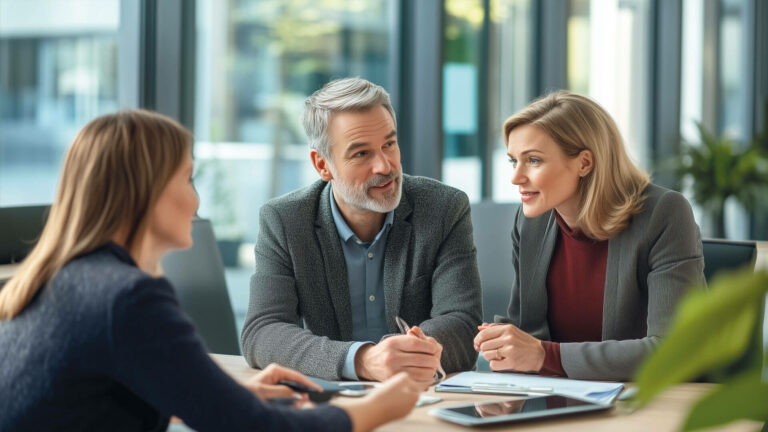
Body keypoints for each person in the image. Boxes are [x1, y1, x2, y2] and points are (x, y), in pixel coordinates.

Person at [0, 110, 421, 432]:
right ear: (146, 195)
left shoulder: (58, 282)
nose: (196, 201)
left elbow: (95, 400)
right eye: (188, 179)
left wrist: (226, 396)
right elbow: (257, 428)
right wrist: (378, 407)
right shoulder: (128, 297)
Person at [241, 77, 482, 382]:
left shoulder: (443, 208)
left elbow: (463, 324)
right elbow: (263, 331)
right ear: (322, 165)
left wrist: (403, 356)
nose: (385, 166)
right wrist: (363, 360)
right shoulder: (285, 221)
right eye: (361, 154)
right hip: (332, 399)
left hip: (422, 396)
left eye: (389, 144)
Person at [473, 91, 705, 381]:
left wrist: (545, 355)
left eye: (533, 160)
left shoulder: (665, 213)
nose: (516, 178)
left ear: (584, 163)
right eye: (513, 161)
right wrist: (501, 342)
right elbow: (528, 332)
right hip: (558, 396)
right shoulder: (531, 221)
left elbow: (672, 349)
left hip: (649, 397)